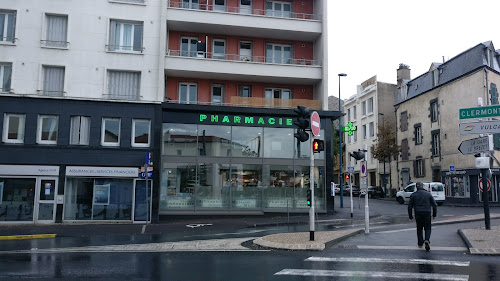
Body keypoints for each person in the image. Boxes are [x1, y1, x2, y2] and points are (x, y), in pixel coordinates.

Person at [408, 182, 437, 251]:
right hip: (427, 212)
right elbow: (434, 205)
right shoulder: (428, 194)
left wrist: (410, 216)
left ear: (416, 187)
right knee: (428, 228)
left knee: (419, 228)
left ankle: (420, 243)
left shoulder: (413, 195)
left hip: (418, 213)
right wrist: (434, 214)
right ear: (423, 186)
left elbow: (410, 207)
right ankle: (427, 239)